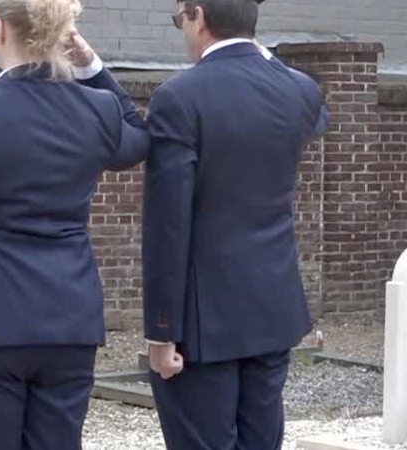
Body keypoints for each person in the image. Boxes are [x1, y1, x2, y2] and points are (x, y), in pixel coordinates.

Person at [69, 0, 330, 449]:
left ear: (199, 16)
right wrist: (93, 67)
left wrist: (161, 332)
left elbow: (168, 226)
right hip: (273, 310)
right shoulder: (299, 91)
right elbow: (314, 113)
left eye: (179, 20)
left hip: (201, 321)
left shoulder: (181, 97)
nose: (182, 30)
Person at [0, 0, 151, 448]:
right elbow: (138, 139)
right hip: (70, 318)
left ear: (1, 28)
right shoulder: (98, 109)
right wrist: (93, 68)